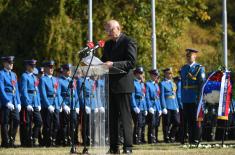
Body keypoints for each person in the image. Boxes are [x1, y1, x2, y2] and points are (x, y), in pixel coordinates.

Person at [101, 19, 137, 154]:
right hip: (110, 85)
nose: (108, 33)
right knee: (112, 118)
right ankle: (113, 147)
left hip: (123, 85)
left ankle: (128, 147)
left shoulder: (128, 41)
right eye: (107, 30)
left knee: (125, 117)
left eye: (110, 30)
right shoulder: (108, 44)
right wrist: (95, 63)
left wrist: (113, 64)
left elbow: (131, 62)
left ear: (118, 28)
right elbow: (104, 61)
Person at [180, 48, 205, 145]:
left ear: (195, 56)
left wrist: (200, 98)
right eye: (187, 56)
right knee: (189, 120)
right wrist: (182, 97)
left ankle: (197, 139)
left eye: (189, 56)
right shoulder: (184, 68)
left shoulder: (199, 68)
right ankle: (191, 139)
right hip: (186, 97)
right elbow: (182, 84)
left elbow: (201, 84)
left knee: (196, 120)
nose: (187, 58)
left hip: (195, 97)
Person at [20, 59, 42, 147]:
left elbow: (37, 91)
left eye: (34, 66)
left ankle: (33, 137)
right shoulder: (24, 76)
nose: (33, 68)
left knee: (39, 121)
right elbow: (24, 90)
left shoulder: (34, 77)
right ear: (27, 66)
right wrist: (27, 103)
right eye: (32, 66)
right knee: (27, 123)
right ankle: (28, 141)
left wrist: (38, 103)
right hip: (28, 103)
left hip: (35, 103)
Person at [39, 60, 62, 146]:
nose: (51, 69)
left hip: (55, 104)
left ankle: (53, 139)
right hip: (47, 105)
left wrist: (59, 105)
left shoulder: (55, 79)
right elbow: (43, 94)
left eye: (52, 67)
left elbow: (58, 93)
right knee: (47, 125)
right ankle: (47, 141)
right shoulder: (43, 79)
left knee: (57, 124)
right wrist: (48, 105)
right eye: (50, 67)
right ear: (45, 68)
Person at [0, 56, 21, 147]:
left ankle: (11, 139)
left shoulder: (14, 74)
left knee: (16, 120)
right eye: (9, 62)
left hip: (14, 101)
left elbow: (16, 89)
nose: (11, 64)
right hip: (6, 101)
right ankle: (5, 142)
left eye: (12, 62)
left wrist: (18, 102)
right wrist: (6, 101)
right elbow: (1, 89)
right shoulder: (1, 73)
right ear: (4, 63)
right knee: (5, 122)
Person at [59, 64, 79, 146]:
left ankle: (72, 139)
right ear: (63, 70)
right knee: (65, 124)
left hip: (73, 105)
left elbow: (76, 94)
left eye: (70, 70)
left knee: (74, 122)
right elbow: (59, 94)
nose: (69, 71)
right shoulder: (59, 80)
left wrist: (77, 106)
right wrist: (63, 105)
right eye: (67, 70)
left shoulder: (72, 80)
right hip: (66, 104)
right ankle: (65, 140)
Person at [160, 68, 180, 143]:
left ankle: (172, 135)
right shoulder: (162, 83)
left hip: (174, 105)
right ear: (165, 74)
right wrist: (164, 107)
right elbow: (161, 96)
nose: (171, 75)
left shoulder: (173, 83)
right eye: (169, 73)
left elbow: (175, 96)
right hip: (167, 105)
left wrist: (177, 106)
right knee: (166, 123)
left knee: (177, 122)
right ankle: (166, 137)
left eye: (171, 73)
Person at [131, 66, 147, 145]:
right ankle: (136, 139)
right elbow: (132, 96)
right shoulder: (133, 83)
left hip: (142, 106)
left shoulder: (142, 83)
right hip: (137, 105)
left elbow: (144, 96)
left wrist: (145, 107)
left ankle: (140, 139)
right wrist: (134, 106)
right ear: (136, 74)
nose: (141, 74)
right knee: (138, 123)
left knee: (142, 123)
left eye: (142, 73)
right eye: (140, 73)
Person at [145, 69, 162, 144]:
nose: (156, 77)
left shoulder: (156, 85)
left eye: (156, 75)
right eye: (155, 75)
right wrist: (149, 107)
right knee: (151, 124)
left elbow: (158, 97)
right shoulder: (147, 84)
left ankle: (155, 138)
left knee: (156, 124)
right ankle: (150, 139)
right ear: (151, 75)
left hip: (157, 106)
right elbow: (147, 97)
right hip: (151, 106)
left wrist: (160, 108)